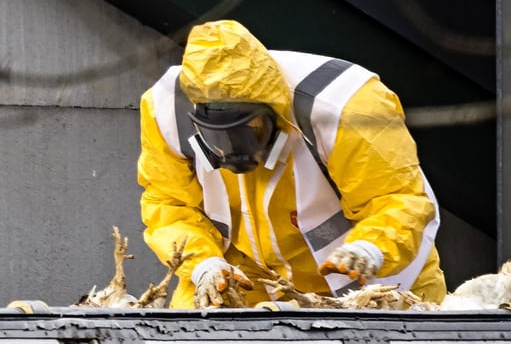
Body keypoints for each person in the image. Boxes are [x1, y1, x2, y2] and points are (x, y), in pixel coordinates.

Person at [137, 19, 446, 308]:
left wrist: (370, 248)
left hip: (367, 277)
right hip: (245, 277)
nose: (235, 149)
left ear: (275, 113)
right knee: (198, 342)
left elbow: (396, 199)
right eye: (219, 136)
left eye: (250, 130)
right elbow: (168, 204)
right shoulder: (167, 111)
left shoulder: (346, 108)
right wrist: (203, 265)